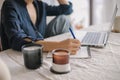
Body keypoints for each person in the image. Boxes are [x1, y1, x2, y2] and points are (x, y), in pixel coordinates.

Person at [1, 0, 80, 54]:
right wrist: (58, 45)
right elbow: (17, 40)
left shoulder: (39, 4)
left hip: (41, 42)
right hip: (21, 53)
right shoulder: (10, 5)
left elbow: (66, 9)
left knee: (63, 19)